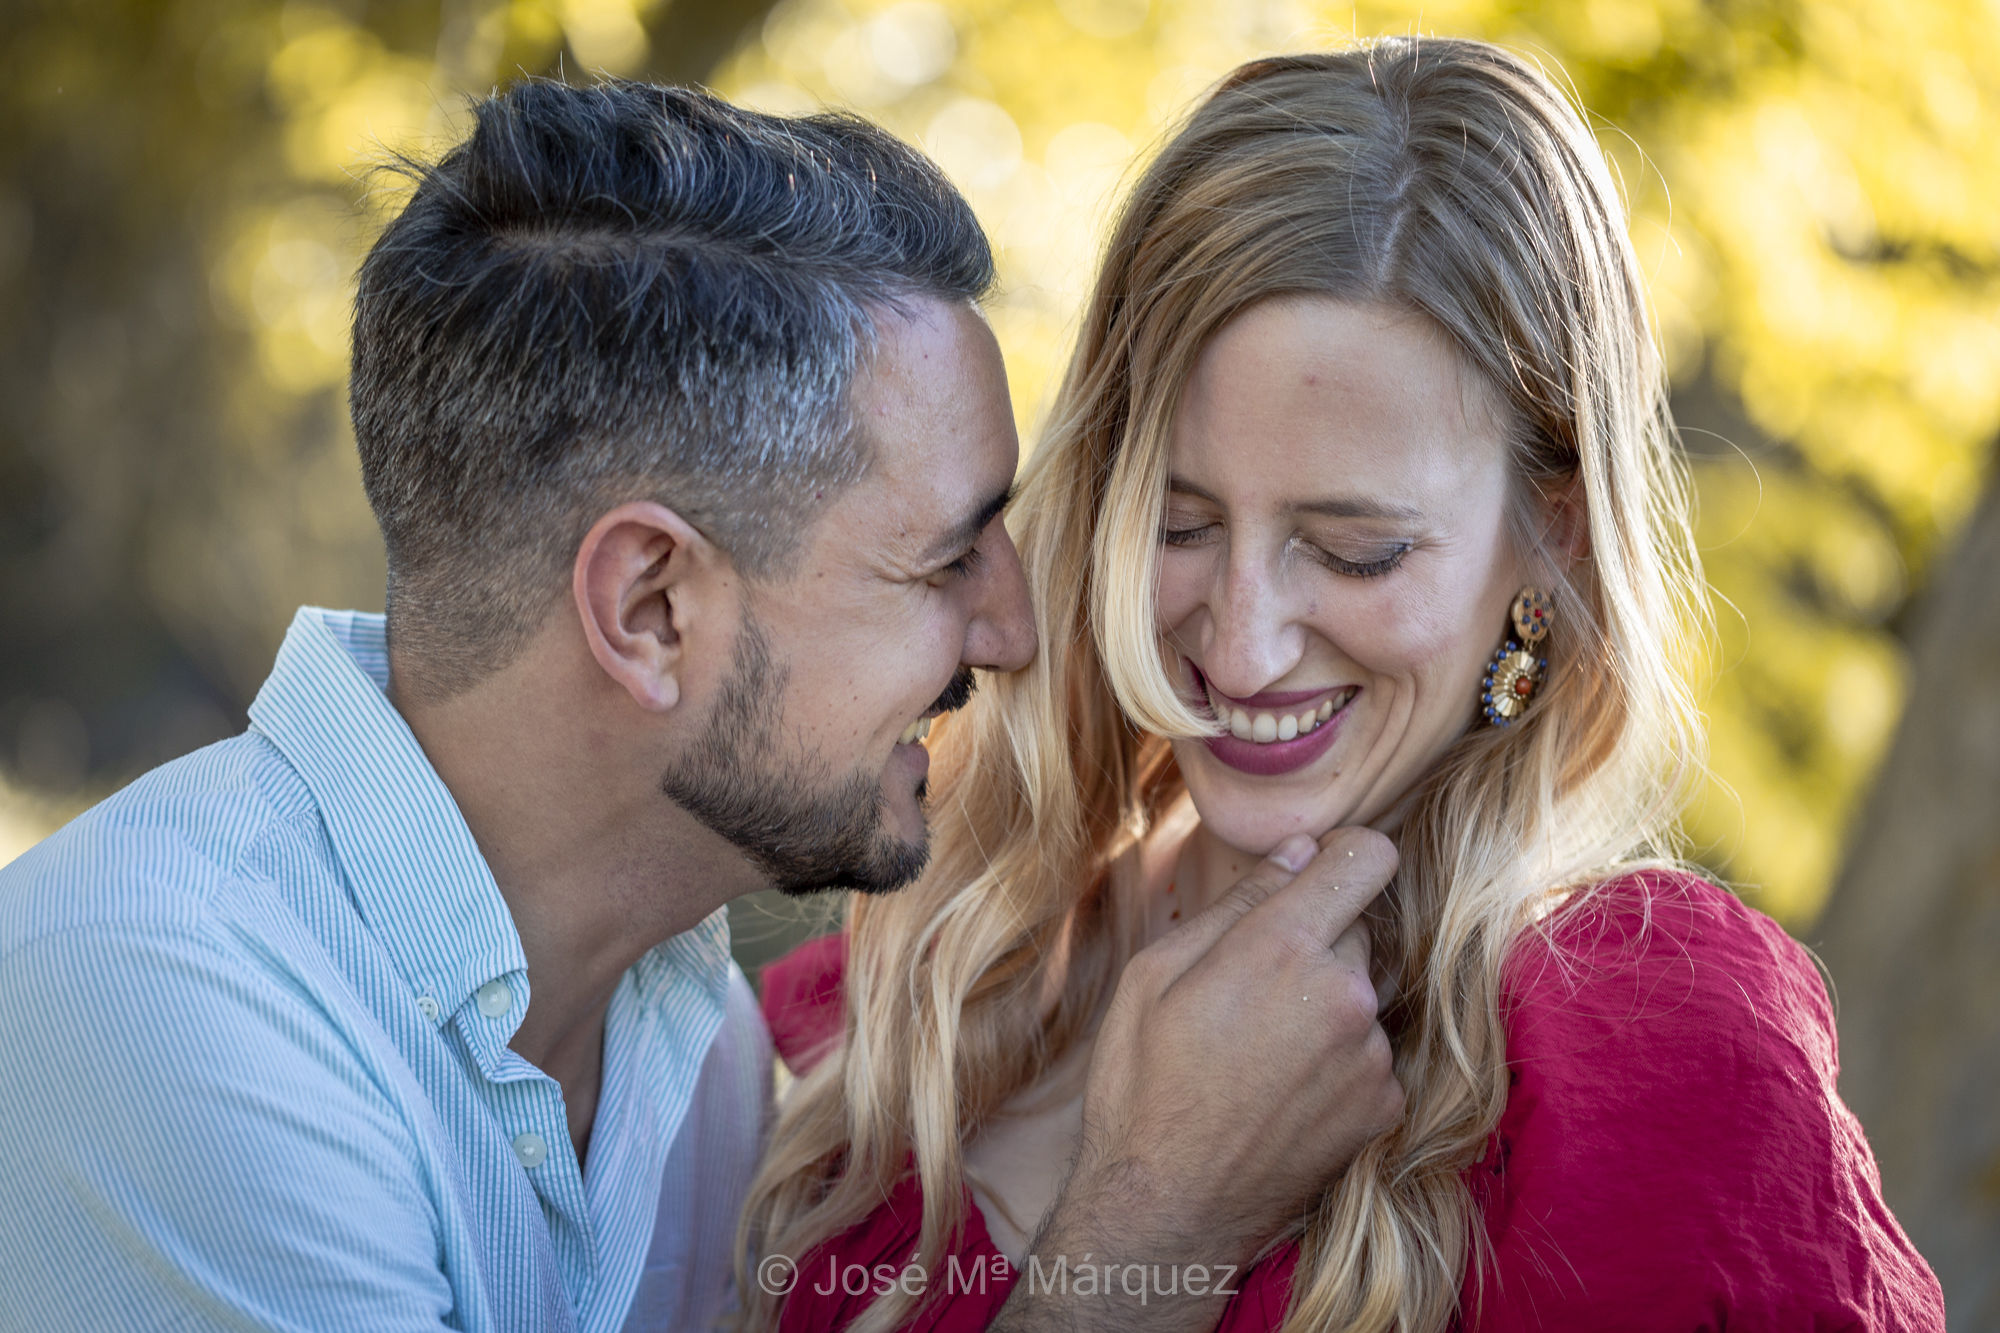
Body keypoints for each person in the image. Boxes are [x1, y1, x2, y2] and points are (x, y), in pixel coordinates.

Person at [0, 80, 1403, 1332]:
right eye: (940, 560)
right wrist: (1154, 1225)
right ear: (651, 608)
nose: (1017, 630)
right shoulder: (169, 1016)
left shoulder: (694, 1038)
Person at [749, 39, 1947, 1333]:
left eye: (1356, 548)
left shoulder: (1654, 1055)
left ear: (1554, 540)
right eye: (1183, 518)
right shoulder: (881, 1009)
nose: (1246, 647)